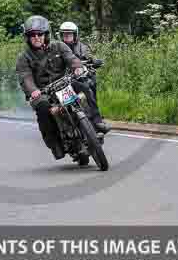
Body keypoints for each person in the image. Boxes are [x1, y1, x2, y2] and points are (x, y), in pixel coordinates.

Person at [16, 15, 110, 160]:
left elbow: (71, 58)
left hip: (64, 83)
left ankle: (96, 123)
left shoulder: (59, 46)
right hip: (43, 92)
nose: (36, 37)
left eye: (40, 34)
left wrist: (77, 67)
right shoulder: (24, 58)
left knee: (84, 87)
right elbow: (25, 77)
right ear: (27, 37)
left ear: (46, 35)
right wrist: (33, 90)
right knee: (42, 108)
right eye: (32, 35)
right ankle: (55, 144)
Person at [59, 21, 102, 103]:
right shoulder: (57, 47)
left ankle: (94, 112)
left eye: (70, 34)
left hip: (80, 74)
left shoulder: (82, 47)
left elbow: (89, 56)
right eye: (65, 34)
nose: (67, 36)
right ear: (61, 35)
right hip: (62, 76)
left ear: (75, 35)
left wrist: (94, 61)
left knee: (91, 82)